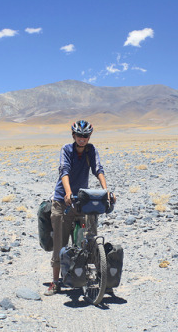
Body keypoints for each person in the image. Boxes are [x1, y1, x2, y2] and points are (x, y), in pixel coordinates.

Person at [44, 120, 115, 296]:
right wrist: (68, 193)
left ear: (89, 136)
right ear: (73, 136)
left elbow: (98, 169)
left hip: (82, 200)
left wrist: (106, 190)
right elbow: (64, 171)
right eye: (79, 136)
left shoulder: (91, 150)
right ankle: (55, 282)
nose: (82, 139)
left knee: (89, 238)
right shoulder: (67, 150)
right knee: (60, 243)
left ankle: (97, 275)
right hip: (63, 201)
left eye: (85, 136)